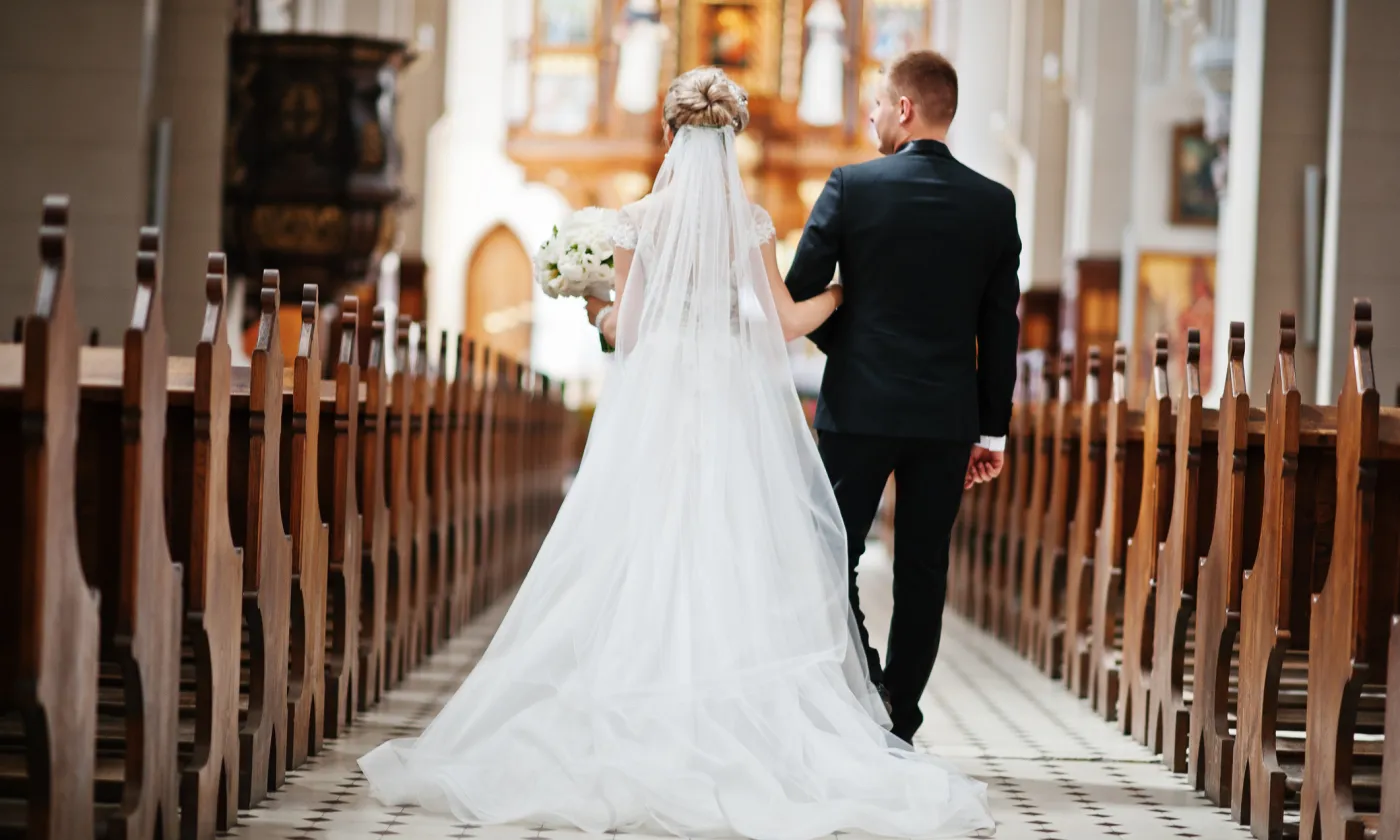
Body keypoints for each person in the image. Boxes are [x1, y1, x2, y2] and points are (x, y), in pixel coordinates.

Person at [359, 66, 995, 840]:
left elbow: (624, 330)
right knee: (734, 545)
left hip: (662, 398)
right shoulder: (753, 222)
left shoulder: (636, 221)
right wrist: (849, 296)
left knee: (646, 544)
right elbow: (785, 323)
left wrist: (595, 309)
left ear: (668, 136)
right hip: (730, 398)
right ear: (731, 139)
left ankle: (638, 701)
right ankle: (801, 717)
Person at [783, 50, 1022, 744]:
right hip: (945, 420)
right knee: (923, 568)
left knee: (833, 553)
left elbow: (800, 295)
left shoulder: (852, 187)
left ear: (907, 109)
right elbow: (998, 328)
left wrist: (854, 347)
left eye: (880, 104)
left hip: (859, 408)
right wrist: (991, 432)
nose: (873, 116)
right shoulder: (992, 203)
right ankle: (900, 717)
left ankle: (862, 684)